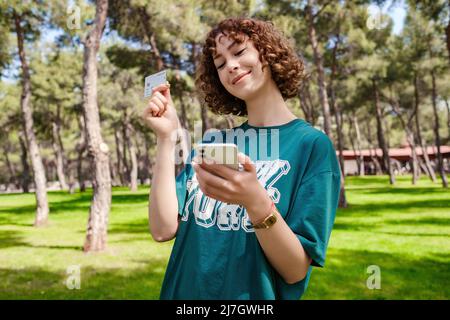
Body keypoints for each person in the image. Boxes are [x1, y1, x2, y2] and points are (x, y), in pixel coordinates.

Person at [142, 17, 341, 300]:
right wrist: (165, 138)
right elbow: (162, 229)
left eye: (238, 52)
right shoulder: (213, 143)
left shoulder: (312, 146)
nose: (230, 66)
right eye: (220, 64)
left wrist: (256, 202)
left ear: (268, 52)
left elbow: (296, 269)